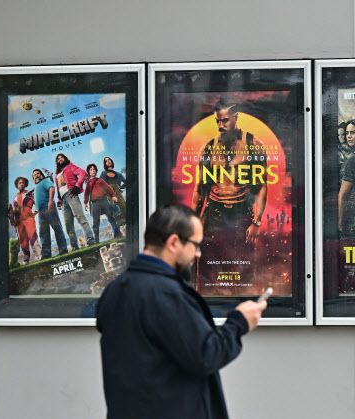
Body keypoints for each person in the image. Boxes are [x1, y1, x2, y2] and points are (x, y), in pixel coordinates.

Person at [97, 204, 267, 419]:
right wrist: (239, 322)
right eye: (196, 245)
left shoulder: (115, 290)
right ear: (174, 243)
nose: (198, 253)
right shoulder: (166, 294)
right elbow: (206, 355)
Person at [191, 101, 268, 279]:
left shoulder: (252, 144)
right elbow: (199, 189)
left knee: (243, 270)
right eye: (217, 121)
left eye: (225, 120)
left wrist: (256, 222)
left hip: (241, 214)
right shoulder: (209, 148)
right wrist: (193, 223)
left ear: (236, 117)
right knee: (208, 272)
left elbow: (262, 186)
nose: (221, 125)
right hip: (214, 214)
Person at [55, 153, 96, 249]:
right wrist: (59, 200)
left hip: (71, 194)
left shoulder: (71, 167)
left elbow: (83, 173)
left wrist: (77, 186)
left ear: (65, 159)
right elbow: (58, 188)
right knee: (68, 225)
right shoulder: (57, 175)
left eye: (61, 157)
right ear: (56, 162)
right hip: (63, 200)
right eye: (58, 158)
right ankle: (74, 246)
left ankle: (90, 240)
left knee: (81, 218)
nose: (60, 159)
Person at [32, 168, 68, 258]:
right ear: (33, 179)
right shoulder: (36, 187)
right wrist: (35, 212)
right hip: (41, 212)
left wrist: (51, 201)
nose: (36, 175)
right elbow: (38, 201)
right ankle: (46, 254)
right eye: (34, 175)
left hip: (49, 208)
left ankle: (63, 249)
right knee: (43, 233)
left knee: (57, 228)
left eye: (38, 173)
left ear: (41, 175)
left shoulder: (45, 181)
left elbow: (52, 188)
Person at [84, 163, 122, 241]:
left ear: (96, 171)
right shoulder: (88, 183)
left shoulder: (100, 180)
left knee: (111, 218)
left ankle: (117, 234)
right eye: (91, 170)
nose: (93, 171)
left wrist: (113, 196)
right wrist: (85, 203)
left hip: (104, 201)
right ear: (89, 172)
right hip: (95, 204)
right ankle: (97, 240)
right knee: (95, 222)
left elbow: (108, 188)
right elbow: (86, 193)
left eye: (94, 169)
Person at [7, 176, 39, 264]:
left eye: (23, 183)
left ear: (25, 184)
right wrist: (12, 217)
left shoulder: (29, 193)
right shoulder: (15, 198)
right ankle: (26, 259)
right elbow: (14, 211)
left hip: (28, 218)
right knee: (23, 241)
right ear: (17, 185)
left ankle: (39, 255)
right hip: (19, 221)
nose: (21, 184)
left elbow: (37, 202)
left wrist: (35, 213)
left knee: (33, 236)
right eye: (19, 183)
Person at [100, 156, 127, 226]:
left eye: (109, 160)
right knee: (115, 211)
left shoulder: (118, 174)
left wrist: (120, 187)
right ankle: (119, 226)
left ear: (111, 161)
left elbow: (126, 182)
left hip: (118, 194)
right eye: (106, 161)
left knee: (123, 207)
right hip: (109, 196)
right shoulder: (103, 173)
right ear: (105, 164)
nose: (108, 161)